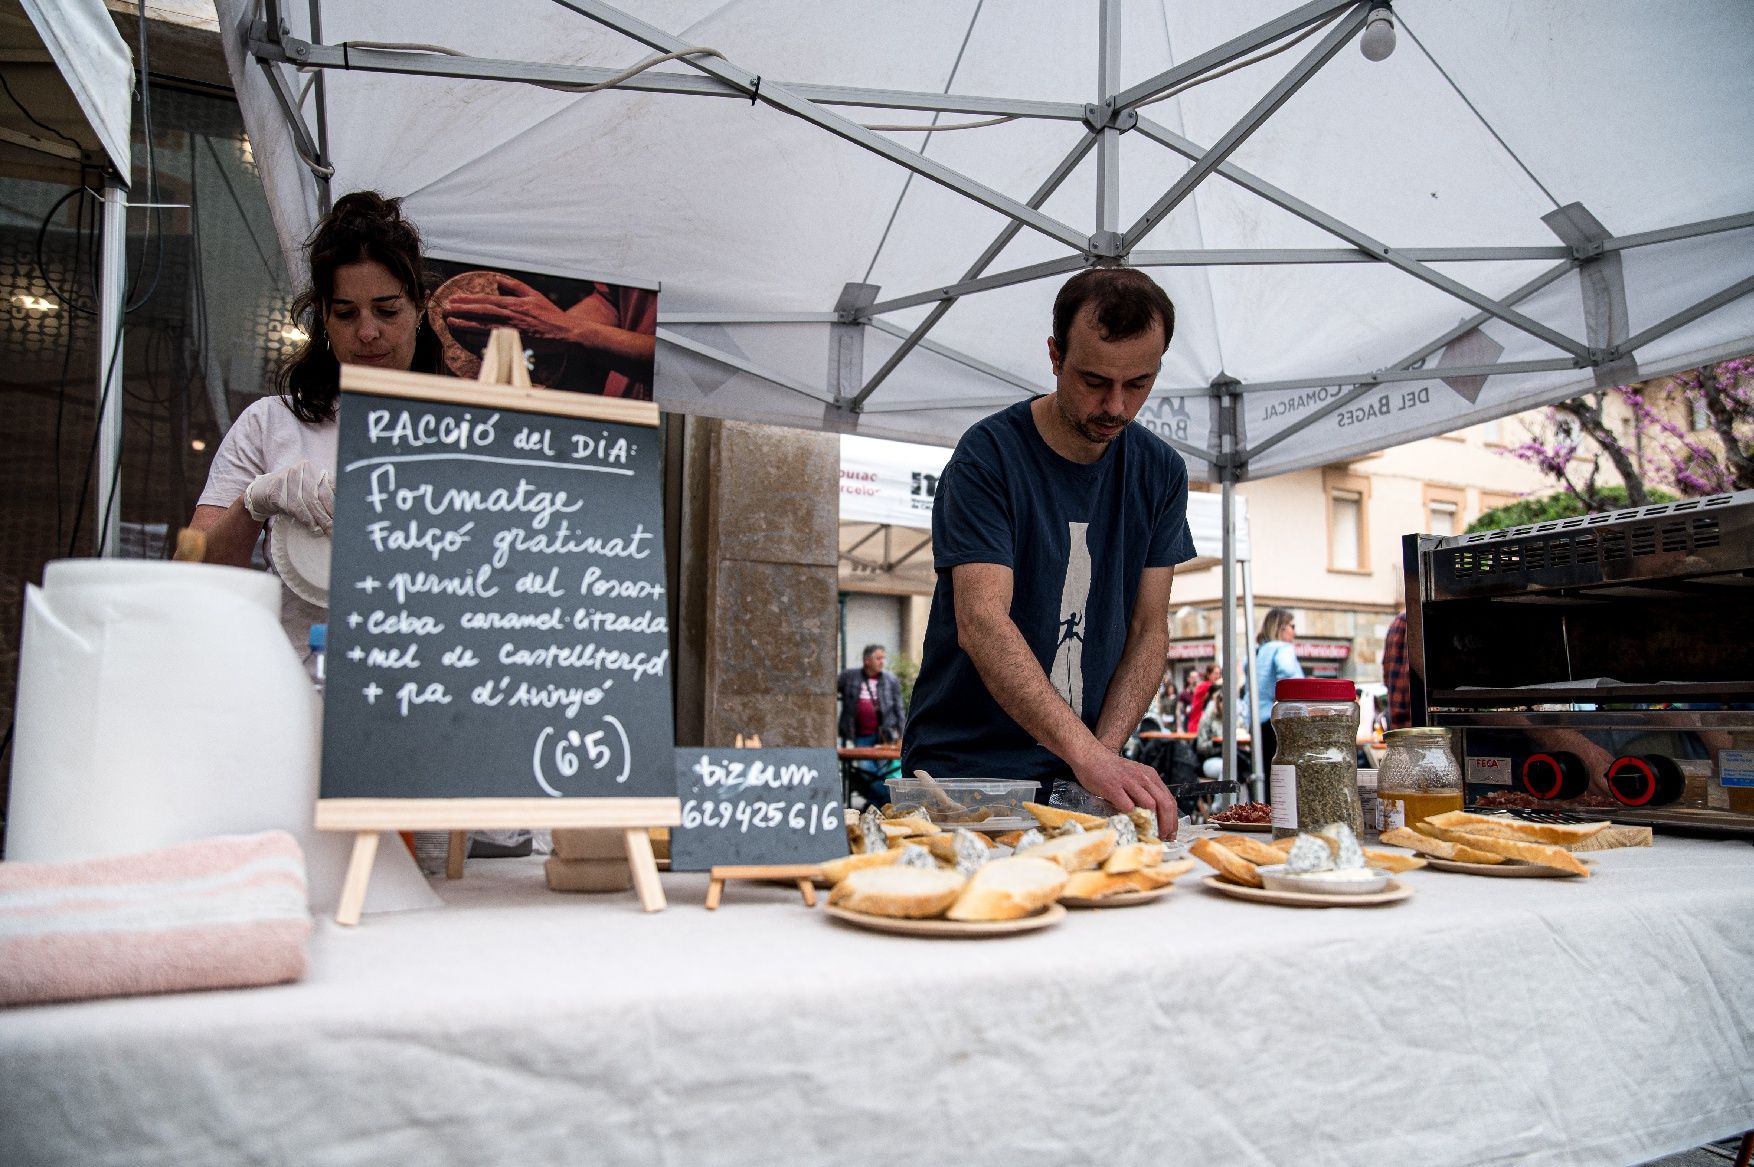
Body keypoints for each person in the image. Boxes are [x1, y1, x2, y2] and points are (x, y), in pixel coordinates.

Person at [901, 268, 1195, 837]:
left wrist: (1100, 757)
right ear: (1055, 356)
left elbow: (1148, 630)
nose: (1115, 406)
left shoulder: (1161, 472)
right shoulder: (988, 456)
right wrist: (1091, 757)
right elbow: (983, 622)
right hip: (963, 775)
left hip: (1081, 775)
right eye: (1093, 381)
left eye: (1138, 384)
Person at [190, 191, 441, 671]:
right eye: (346, 313)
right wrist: (252, 503)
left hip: (425, 697)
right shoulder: (270, 423)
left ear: (420, 308)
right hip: (296, 689)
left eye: (387, 311)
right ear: (323, 317)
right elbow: (194, 571)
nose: (367, 332)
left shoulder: (471, 435)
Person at [837, 644, 905, 804]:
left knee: (883, 772)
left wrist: (902, 735)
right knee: (867, 771)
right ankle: (889, 801)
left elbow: (899, 708)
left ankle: (876, 804)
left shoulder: (890, 679)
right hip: (861, 735)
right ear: (867, 660)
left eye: (883, 658)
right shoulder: (849, 677)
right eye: (878, 658)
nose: (882, 662)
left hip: (885, 736)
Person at [1252, 607, 1304, 770]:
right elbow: (1287, 671)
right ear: (1282, 627)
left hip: (1256, 720)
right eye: (1292, 626)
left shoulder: (1258, 650)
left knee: (1266, 773)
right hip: (1280, 720)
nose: (1294, 632)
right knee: (1285, 773)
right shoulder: (1283, 648)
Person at [1381, 609, 1411, 730]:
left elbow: (1386, 673)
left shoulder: (1398, 621)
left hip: (1400, 724)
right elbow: (1408, 676)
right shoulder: (1411, 620)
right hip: (1414, 724)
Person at [1187, 662, 1219, 736]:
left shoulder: (1208, 686)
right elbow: (1217, 687)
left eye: (1219, 673)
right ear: (1208, 674)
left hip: (1202, 727)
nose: (1218, 676)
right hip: (1196, 727)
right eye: (1215, 673)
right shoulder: (1205, 686)